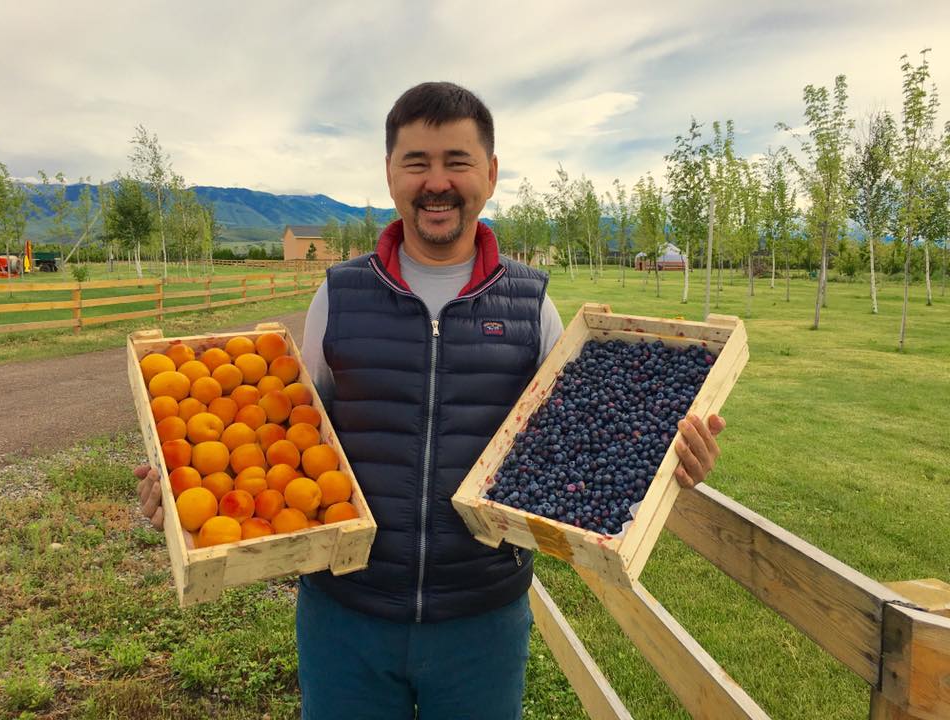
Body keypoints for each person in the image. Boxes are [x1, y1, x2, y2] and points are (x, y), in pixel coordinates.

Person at [136, 81, 726, 720]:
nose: (436, 182)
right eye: (416, 162)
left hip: (483, 619)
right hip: (346, 615)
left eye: (457, 161)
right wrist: (178, 480)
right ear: (390, 174)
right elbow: (278, 430)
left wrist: (670, 461)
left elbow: (588, 435)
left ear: (491, 174)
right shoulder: (338, 296)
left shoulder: (535, 309)